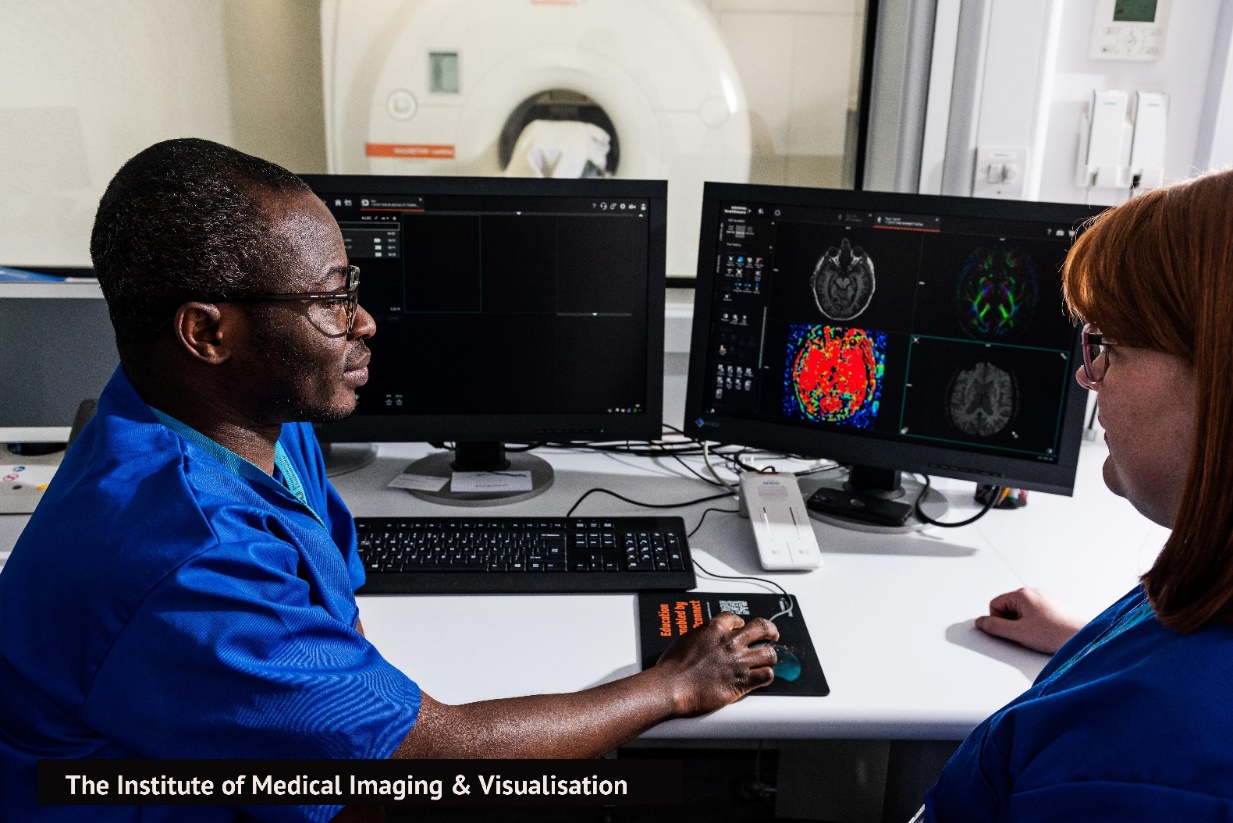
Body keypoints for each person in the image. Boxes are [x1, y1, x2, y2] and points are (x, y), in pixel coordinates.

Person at [0, 138, 779, 823]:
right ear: (207, 332)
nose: (364, 320)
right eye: (328, 299)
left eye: (351, 286)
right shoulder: (188, 557)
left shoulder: (234, 414)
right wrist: (673, 685)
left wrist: (351, 694)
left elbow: (331, 594)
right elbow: (439, 761)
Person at [923, 168, 1233, 820]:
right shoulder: (1208, 578)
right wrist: (1083, 641)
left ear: (1219, 377)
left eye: (1109, 346)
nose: (1088, 376)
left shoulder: (1148, 754)